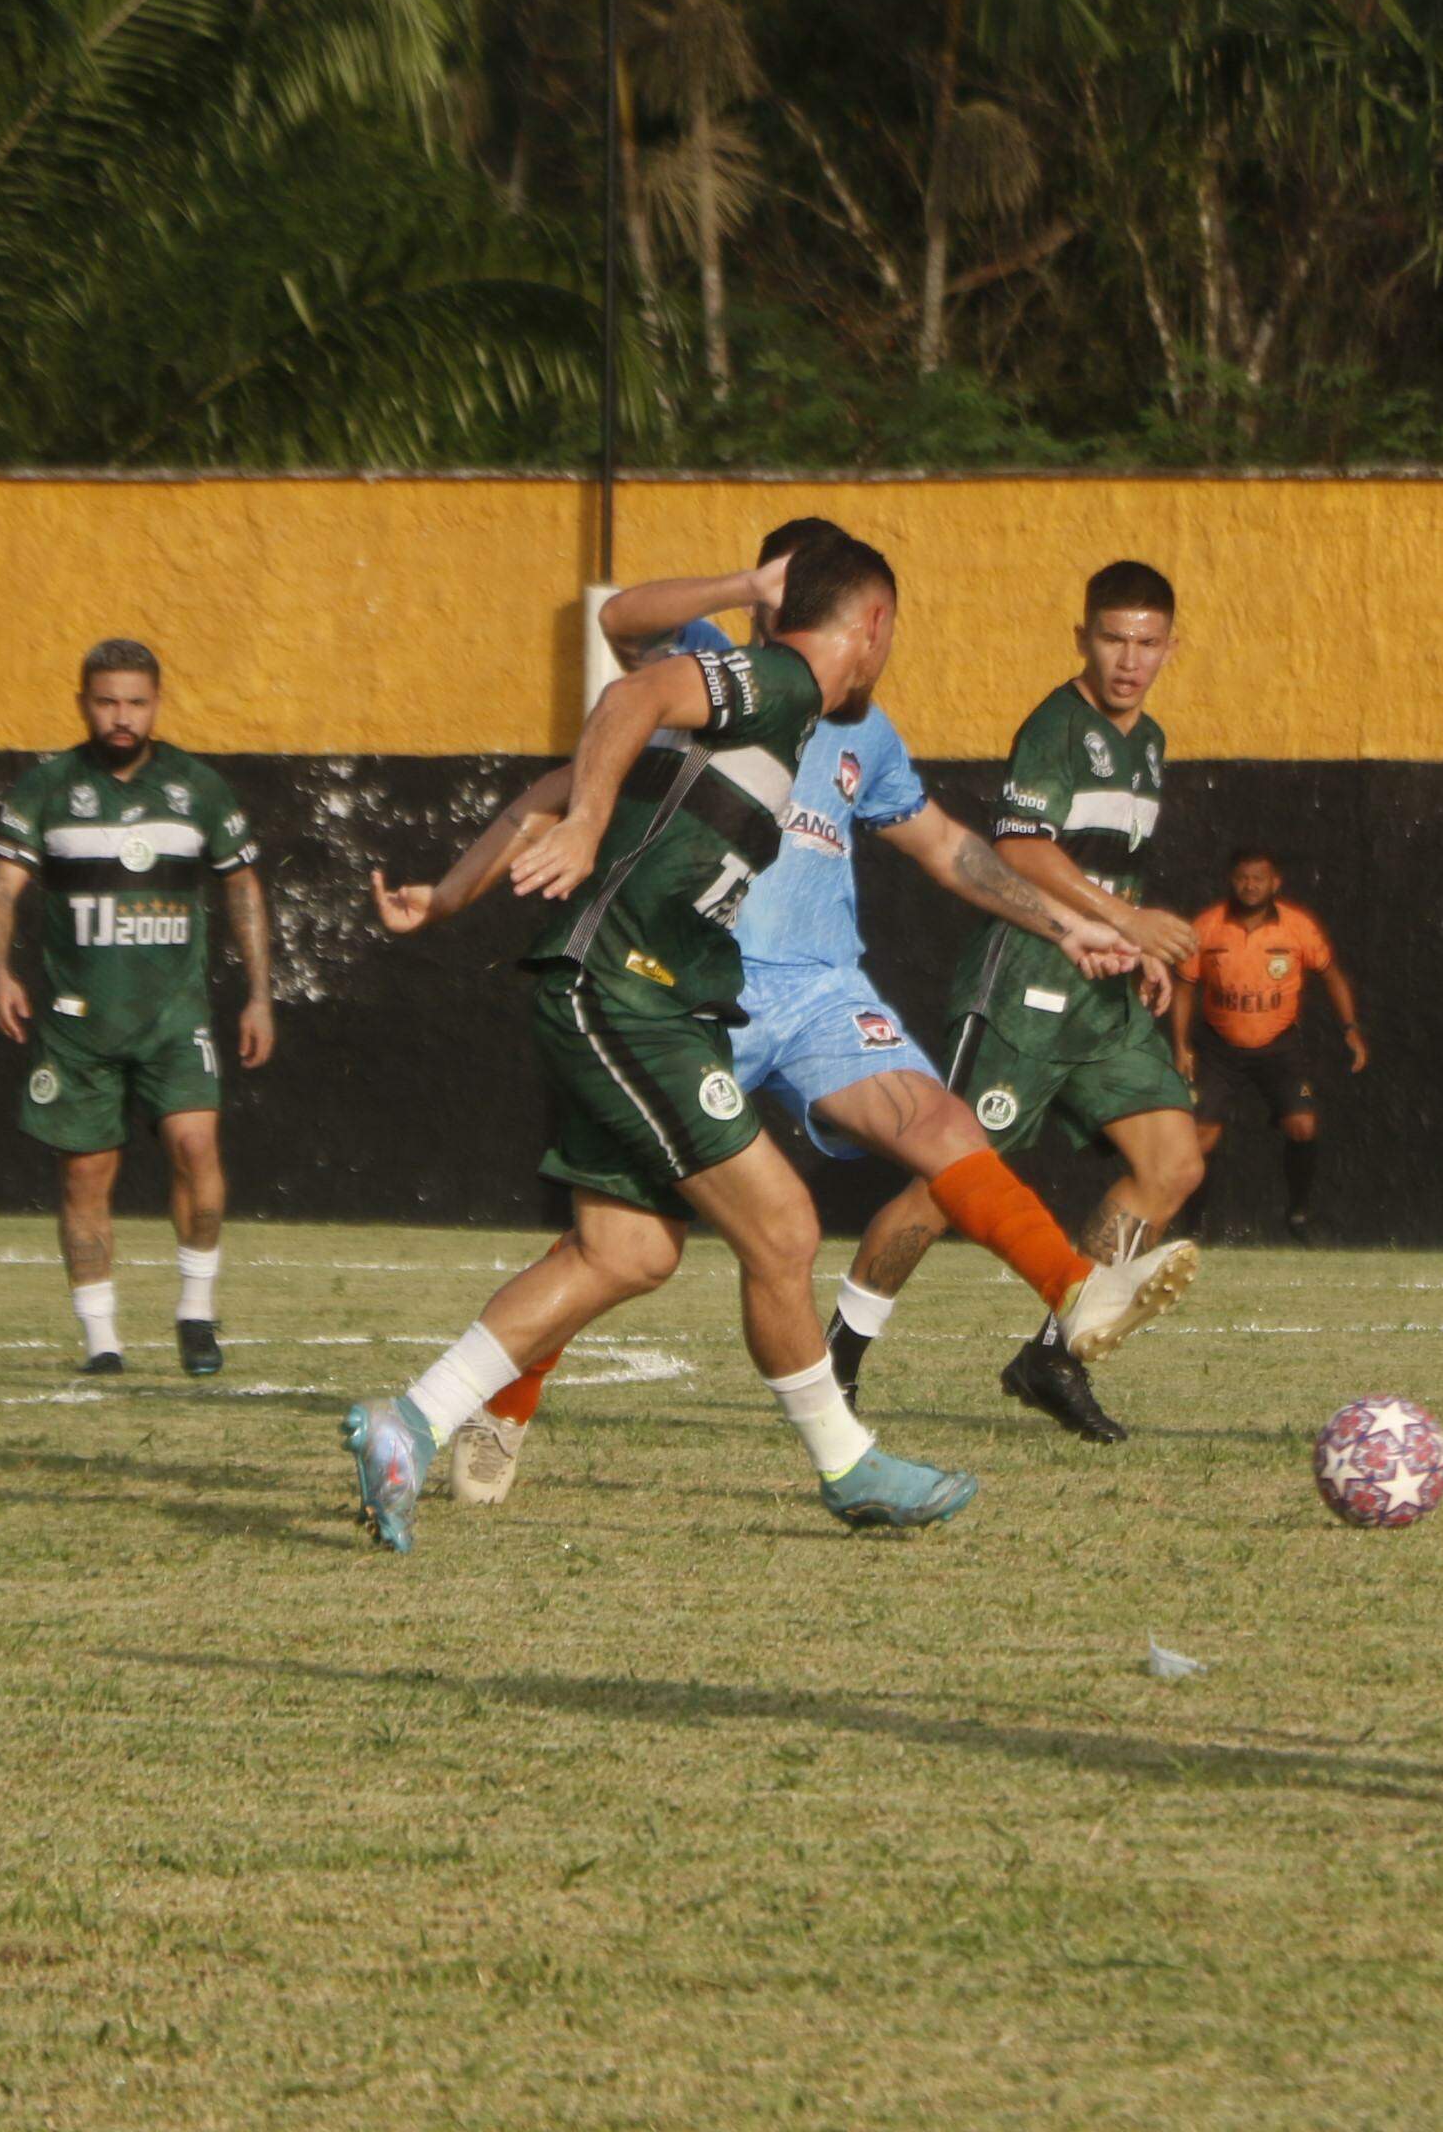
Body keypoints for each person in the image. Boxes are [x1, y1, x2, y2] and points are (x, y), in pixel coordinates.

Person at [434, 524, 1196, 1494]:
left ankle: (1072, 1295)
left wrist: (1066, 925)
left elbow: (944, 847)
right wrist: (741, 583)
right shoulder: (716, 672)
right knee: (618, 1234)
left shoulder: (864, 732)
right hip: (694, 987)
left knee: (937, 1119)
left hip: (824, 986)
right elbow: (619, 620)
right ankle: (503, 1406)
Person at [345, 534, 1055, 1550]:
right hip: (626, 993)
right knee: (782, 1227)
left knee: (624, 1249)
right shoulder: (773, 681)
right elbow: (624, 699)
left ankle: (404, 1425)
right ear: (876, 623)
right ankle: (849, 1466)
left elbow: (579, 770)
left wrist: (458, 889)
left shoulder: (786, 714)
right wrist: (588, 821)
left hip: (640, 991)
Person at [837, 561, 1212, 1441]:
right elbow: (1021, 847)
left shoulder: (1149, 740)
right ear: (1081, 637)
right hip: (1022, 992)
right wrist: (1126, 917)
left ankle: (1054, 1355)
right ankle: (838, 1361)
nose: (1129, 658)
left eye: (1147, 642)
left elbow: (1104, 867)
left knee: (1173, 1165)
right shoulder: (1056, 724)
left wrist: (1133, 947)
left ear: (1170, 647)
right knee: (950, 1184)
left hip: (1102, 993)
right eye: (1113, 638)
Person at [0, 639, 273, 1377]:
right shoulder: (47, 789)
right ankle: (101, 1340)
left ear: (156, 704)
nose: (122, 716)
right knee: (84, 1176)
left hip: (176, 1019)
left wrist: (261, 994)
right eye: (107, 701)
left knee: (197, 1148)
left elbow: (243, 889)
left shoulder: (197, 789)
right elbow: (0, 889)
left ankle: (197, 1314)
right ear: (83, 703)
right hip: (80, 1026)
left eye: (135, 702)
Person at [1173, 846, 1364, 1241]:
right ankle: (1192, 1227)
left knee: (1303, 1125)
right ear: (1232, 880)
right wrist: (1180, 1046)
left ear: (1275, 883)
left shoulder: (1297, 928)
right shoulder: (1208, 926)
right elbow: (1185, 987)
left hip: (1278, 1046)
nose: (1250, 886)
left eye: (1258, 878)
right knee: (1201, 1137)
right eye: (1243, 878)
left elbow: (1332, 977)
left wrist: (1350, 1029)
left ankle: (1298, 1214)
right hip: (1219, 1047)